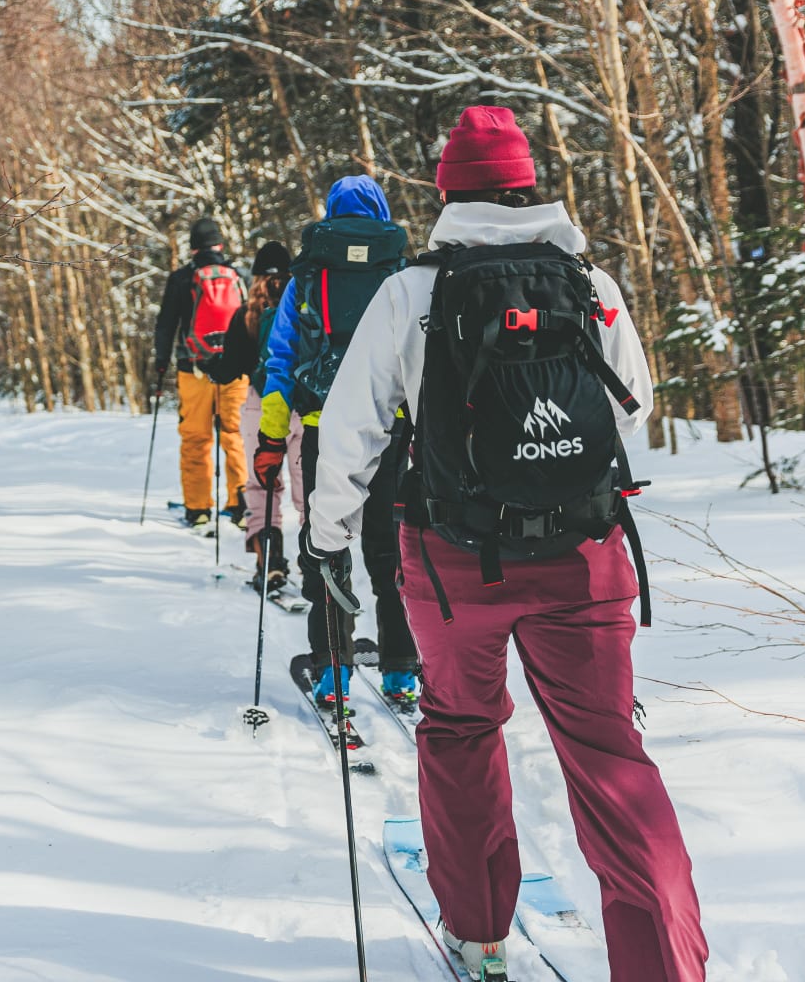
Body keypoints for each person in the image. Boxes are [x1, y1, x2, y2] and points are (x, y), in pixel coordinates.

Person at [300, 108, 707, 982]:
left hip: (451, 562)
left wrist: (327, 539)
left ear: (447, 189)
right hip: (585, 555)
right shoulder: (587, 278)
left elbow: (351, 431)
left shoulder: (412, 290)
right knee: (607, 753)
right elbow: (632, 397)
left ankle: (480, 932)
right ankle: (666, 964)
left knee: (459, 730)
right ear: (528, 184)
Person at [254, 174, 419, 705]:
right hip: (389, 427)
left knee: (326, 545)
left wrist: (271, 440)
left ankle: (333, 669)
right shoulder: (401, 272)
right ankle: (401, 668)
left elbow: (279, 362)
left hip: (326, 426)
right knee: (389, 548)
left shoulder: (308, 274)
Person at [206, 241, 305, 586]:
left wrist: (211, 366)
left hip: (259, 405)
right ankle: (317, 567)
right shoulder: (304, 309)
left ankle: (270, 561)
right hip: (302, 406)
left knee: (263, 485)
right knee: (308, 489)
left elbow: (229, 371)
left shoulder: (245, 314)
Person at [154, 217, 249, 527]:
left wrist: (161, 364)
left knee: (196, 439)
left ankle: (198, 510)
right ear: (220, 244)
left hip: (192, 369)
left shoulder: (182, 278)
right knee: (235, 435)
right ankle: (241, 505)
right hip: (235, 370)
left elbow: (167, 324)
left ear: (193, 247)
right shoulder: (238, 274)